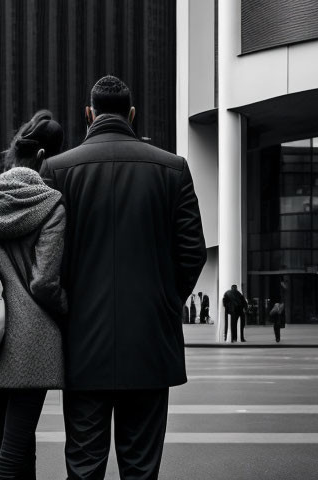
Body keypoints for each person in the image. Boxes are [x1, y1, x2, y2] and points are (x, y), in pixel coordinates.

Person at [41, 76, 206, 480]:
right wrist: (164, 299)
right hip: (151, 343)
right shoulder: (173, 169)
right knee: (141, 469)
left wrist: (67, 308)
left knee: (83, 466)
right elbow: (193, 253)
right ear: (132, 115)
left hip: (81, 346)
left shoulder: (58, 170)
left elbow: (46, 258)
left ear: (88, 115)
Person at [0, 110, 67, 480]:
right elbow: (44, 282)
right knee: (13, 453)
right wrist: (68, 313)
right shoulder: (52, 203)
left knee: (11, 443)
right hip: (33, 343)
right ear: (42, 158)